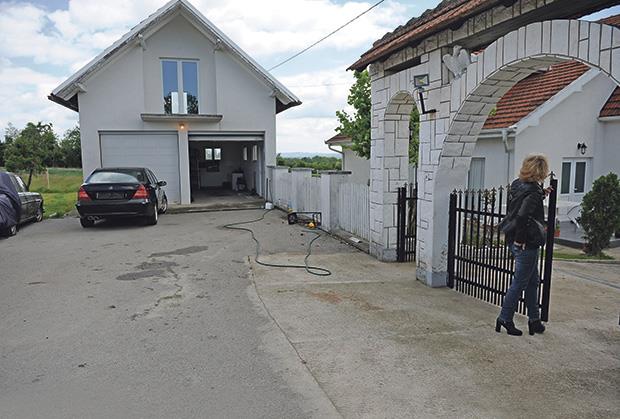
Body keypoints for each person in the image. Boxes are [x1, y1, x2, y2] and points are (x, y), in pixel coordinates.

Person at [496, 154, 552, 336]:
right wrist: (520, 240)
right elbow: (522, 216)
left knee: (532, 281)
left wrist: (542, 194)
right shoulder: (533, 191)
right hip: (525, 243)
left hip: (512, 237)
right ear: (540, 171)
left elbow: (522, 203)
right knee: (519, 283)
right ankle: (505, 318)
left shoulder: (517, 184)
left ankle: (534, 320)